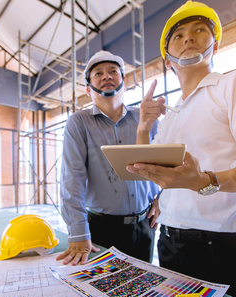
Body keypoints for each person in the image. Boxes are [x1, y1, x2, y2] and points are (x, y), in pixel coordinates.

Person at [127, 1, 236, 297]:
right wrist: (143, 127)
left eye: (199, 31)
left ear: (215, 44)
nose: (188, 38)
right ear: (167, 60)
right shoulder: (173, 113)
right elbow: (155, 170)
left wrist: (206, 181)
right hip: (170, 242)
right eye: (178, 35)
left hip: (222, 247)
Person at [56, 50, 161, 266]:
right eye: (98, 73)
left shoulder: (145, 119)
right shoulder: (79, 123)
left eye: (113, 71)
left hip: (144, 226)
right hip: (101, 229)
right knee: (103, 294)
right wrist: (78, 233)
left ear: (123, 82)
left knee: (141, 290)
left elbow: (163, 163)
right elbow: (72, 178)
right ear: (88, 89)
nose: (107, 76)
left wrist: (162, 197)